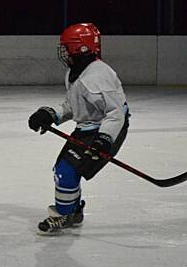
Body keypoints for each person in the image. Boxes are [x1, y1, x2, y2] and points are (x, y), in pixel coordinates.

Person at [27, 23, 130, 235]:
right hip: (87, 128)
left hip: (107, 129)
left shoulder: (99, 75)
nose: (63, 51)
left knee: (68, 170)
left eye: (67, 47)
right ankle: (73, 211)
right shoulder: (75, 72)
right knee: (62, 169)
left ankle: (63, 215)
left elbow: (116, 113)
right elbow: (73, 106)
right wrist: (51, 114)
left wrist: (104, 139)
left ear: (80, 48)